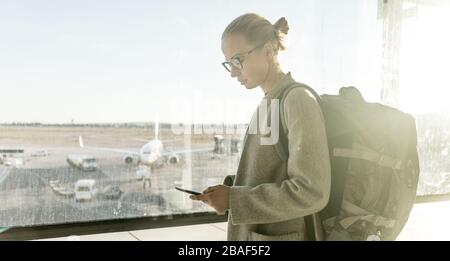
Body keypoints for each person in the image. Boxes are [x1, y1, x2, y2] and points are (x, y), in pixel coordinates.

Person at [190, 13, 331, 241]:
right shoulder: (268, 103)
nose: (233, 72)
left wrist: (234, 200)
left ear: (268, 50)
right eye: (229, 64)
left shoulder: (297, 100)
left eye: (238, 60)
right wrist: (229, 191)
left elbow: (312, 192)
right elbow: (271, 172)